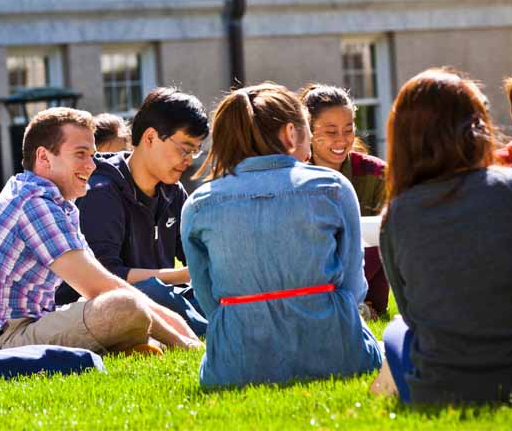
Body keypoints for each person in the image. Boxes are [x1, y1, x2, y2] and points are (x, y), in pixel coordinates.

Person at [0, 107, 202, 354]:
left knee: (119, 302)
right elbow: (99, 287)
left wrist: (176, 324)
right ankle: (141, 343)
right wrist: (183, 340)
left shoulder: (54, 203)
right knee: (123, 305)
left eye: (92, 155)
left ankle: (134, 344)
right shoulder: (35, 204)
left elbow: (101, 280)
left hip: (24, 325)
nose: (92, 165)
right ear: (44, 157)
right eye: (80, 154)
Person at [370, 68, 512, 404]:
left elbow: (413, 314)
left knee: (398, 329)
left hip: (444, 387)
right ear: (479, 126)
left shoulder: (396, 216)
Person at [182, 83, 381, 389]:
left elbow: (208, 299)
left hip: (234, 367)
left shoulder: (198, 204)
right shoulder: (333, 187)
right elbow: (354, 286)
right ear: (290, 133)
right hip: (339, 355)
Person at [55, 88, 209, 336]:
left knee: (206, 291)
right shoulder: (101, 192)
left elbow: (194, 255)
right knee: (152, 291)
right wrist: (180, 275)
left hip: (160, 298)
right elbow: (105, 277)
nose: (189, 160)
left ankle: (220, 323)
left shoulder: (173, 191)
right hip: (101, 307)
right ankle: (210, 330)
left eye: (195, 151)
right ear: (150, 137)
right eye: (185, 149)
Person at [299, 84, 389, 318]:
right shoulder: (293, 179)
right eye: (331, 131)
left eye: (348, 129)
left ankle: (352, 305)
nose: (341, 139)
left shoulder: (377, 174)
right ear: (308, 131)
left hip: (367, 280)